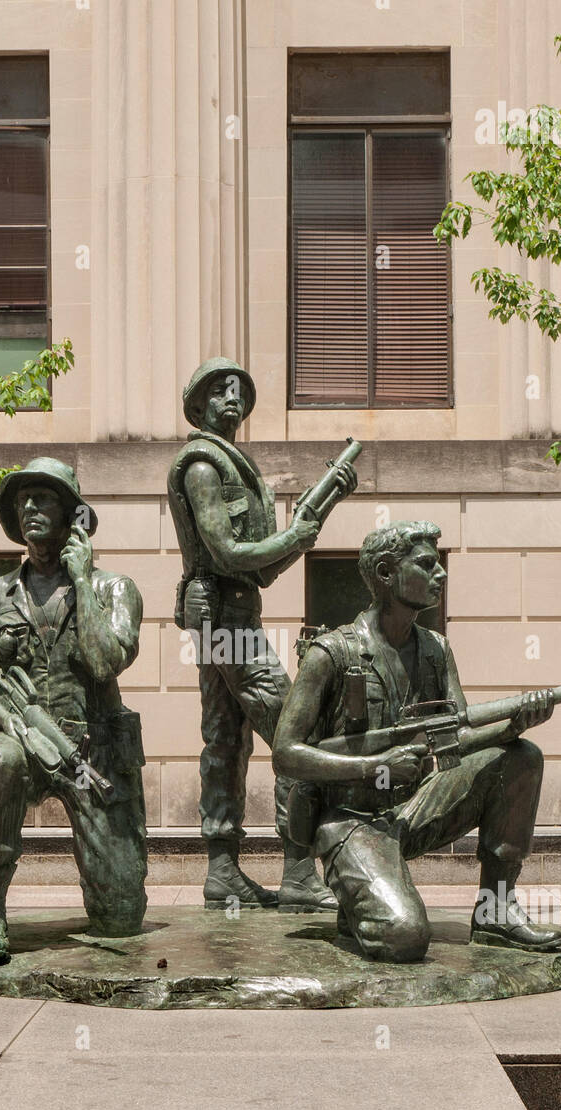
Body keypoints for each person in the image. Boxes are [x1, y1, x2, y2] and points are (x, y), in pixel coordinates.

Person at [273, 520, 561, 963]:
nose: (441, 574)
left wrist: (510, 728)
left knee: (519, 757)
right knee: (405, 938)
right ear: (387, 573)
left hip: (415, 805)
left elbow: (459, 735)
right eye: (427, 565)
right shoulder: (331, 653)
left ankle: (495, 911)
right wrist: (373, 765)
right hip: (350, 819)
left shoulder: (435, 649)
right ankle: (362, 897)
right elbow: (285, 753)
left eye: (439, 564)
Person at [168, 356, 357, 912]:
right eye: (219, 389)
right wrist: (294, 534)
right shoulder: (203, 465)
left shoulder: (240, 470)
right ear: (198, 404)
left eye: (239, 390)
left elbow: (263, 570)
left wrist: (312, 521)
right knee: (295, 739)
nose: (233, 397)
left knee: (225, 743)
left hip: (231, 618)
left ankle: (222, 871)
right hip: (225, 622)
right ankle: (299, 871)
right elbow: (228, 555)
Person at [0, 458, 147, 963]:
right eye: (22, 500)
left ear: (73, 516)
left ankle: (112, 888)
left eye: (43, 498)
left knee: (122, 918)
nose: (29, 508)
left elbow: (105, 662)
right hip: (19, 738)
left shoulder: (114, 590)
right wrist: (9, 722)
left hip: (93, 752)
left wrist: (83, 582)